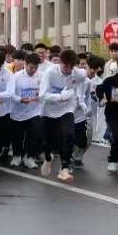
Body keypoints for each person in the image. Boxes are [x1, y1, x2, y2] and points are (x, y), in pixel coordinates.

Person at [37, 49, 87, 182]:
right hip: (48, 110)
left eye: (71, 67)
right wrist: (60, 96)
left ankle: (65, 167)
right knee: (48, 140)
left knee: (68, 134)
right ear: (59, 62)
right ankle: (48, 158)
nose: (68, 70)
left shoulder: (78, 73)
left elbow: (83, 82)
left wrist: (81, 99)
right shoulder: (50, 73)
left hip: (66, 109)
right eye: (65, 67)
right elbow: (42, 95)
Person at [5, 53, 46, 170]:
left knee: (35, 134)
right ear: (25, 64)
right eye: (31, 67)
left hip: (35, 112)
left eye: (35, 68)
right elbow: (10, 94)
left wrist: (40, 95)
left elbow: (46, 92)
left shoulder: (42, 77)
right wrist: (20, 99)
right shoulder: (15, 77)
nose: (33, 70)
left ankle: (29, 157)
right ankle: (17, 156)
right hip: (17, 112)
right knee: (17, 136)